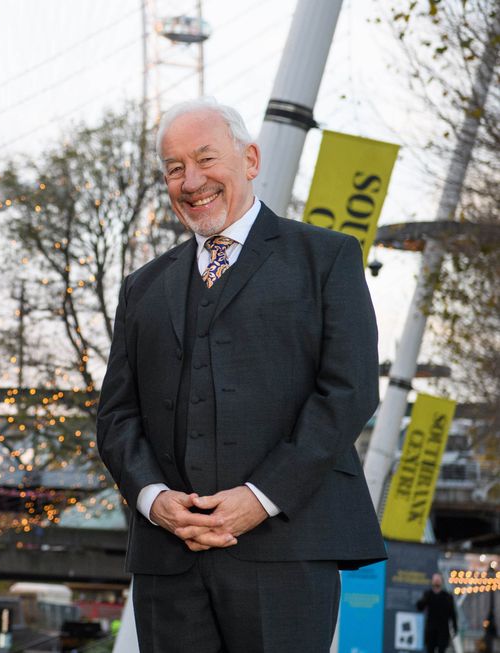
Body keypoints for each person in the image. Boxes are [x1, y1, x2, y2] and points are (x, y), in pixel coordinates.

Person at [95, 97, 386, 652]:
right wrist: (153, 498)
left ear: (250, 160)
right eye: (175, 168)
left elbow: (348, 392)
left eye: (206, 159)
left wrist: (262, 496)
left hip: (289, 548)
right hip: (168, 558)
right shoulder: (142, 287)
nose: (192, 180)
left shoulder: (327, 258)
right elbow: (117, 416)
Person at [416, 572, 457, 653]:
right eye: (435, 580)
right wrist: (425, 599)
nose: (437, 581)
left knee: (442, 649)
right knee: (430, 650)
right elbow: (419, 607)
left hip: (443, 631)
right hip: (431, 631)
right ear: (432, 581)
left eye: (438, 580)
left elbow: (452, 614)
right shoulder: (428, 594)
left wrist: (455, 627)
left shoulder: (447, 596)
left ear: (441, 581)